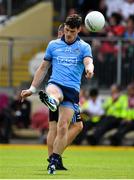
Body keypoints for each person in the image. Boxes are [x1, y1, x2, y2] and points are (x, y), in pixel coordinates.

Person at [21, 14, 94, 174]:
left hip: (72, 90)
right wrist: (32, 89)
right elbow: (43, 68)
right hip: (55, 84)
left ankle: (54, 158)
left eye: (72, 31)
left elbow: (88, 62)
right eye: (66, 30)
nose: (68, 34)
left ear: (79, 30)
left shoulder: (84, 47)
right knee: (55, 94)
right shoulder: (53, 45)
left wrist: (89, 70)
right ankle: (52, 100)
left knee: (61, 128)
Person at [46, 23, 83, 171]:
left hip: (53, 92)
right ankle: (56, 155)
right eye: (64, 32)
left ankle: (53, 158)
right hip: (64, 93)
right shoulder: (59, 49)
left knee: (54, 127)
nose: (65, 35)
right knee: (76, 126)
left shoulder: (55, 49)